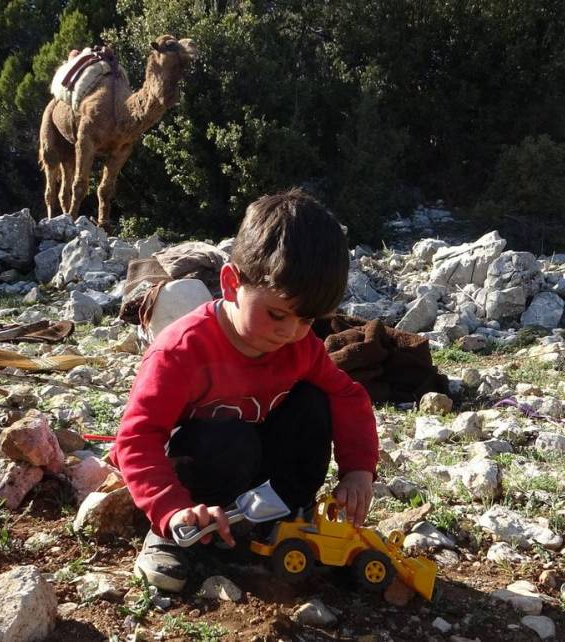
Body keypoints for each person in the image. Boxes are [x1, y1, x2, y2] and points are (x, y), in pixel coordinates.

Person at [110, 188, 379, 592]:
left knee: (313, 401)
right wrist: (171, 508)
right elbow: (137, 438)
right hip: (197, 478)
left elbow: (348, 396)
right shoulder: (182, 351)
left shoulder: (299, 347)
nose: (291, 332)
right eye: (276, 314)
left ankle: (281, 519)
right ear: (231, 283)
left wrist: (359, 469)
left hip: (258, 475)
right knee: (226, 439)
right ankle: (171, 538)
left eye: (307, 320)